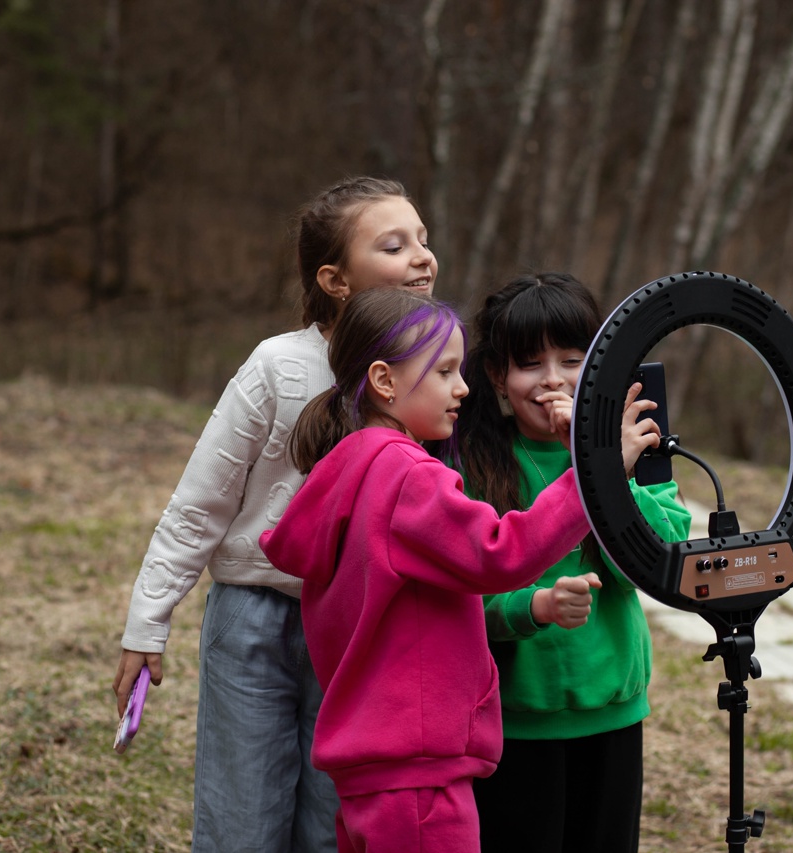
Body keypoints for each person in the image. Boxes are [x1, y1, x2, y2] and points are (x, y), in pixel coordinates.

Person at [257, 288, 661, 853]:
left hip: (373, 762)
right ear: (384, 381)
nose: (463, 387)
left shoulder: (348, 468)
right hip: (417, 767)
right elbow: (501, 552)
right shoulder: (405, 475)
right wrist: (593, 468)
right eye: (444, 370)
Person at [112, 176, 437, 853]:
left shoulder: (431, 373)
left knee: (331, 826)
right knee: (241, 822)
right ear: (335, 278)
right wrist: (149, 620)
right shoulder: (278, 367)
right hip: (252, 623)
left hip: (357, 632)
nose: (422, 257)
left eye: (424, 241)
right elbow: (200, 503)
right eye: (394, 244)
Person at [456, 273, 692, 853]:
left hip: (612, 714)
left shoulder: (634, 450)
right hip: (512, 722)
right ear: (496, 377)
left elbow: (665, 560)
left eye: (572, 359)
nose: (554, 380)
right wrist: (532, 608)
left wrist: (599, 464)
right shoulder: (471, 466)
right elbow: (463, 601)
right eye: (530, 364)